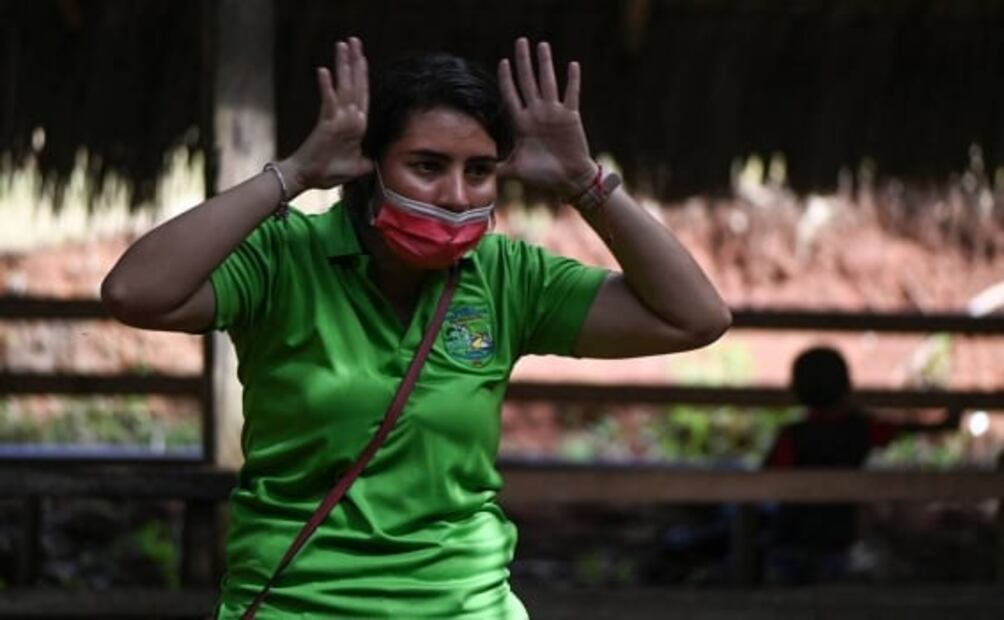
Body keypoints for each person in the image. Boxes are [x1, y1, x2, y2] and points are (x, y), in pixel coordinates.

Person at [101, 37, 731, 618]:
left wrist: (585, 184)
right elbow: (134, 293)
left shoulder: (509, 277)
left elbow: (696, 318)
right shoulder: (281, 260)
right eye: (427, 166)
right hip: (298, 604)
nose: (457, 195)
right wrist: (292, 175)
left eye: (478, 171)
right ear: (367, 167)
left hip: (468, 607)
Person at [762, 345, 961, 584]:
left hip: (793, 536)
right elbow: (903, 429)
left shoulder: (793, 436)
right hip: (838, 538)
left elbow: (767, 477)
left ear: (797, 389)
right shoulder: (861, 429)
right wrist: (945, 421)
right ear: (846, 386)